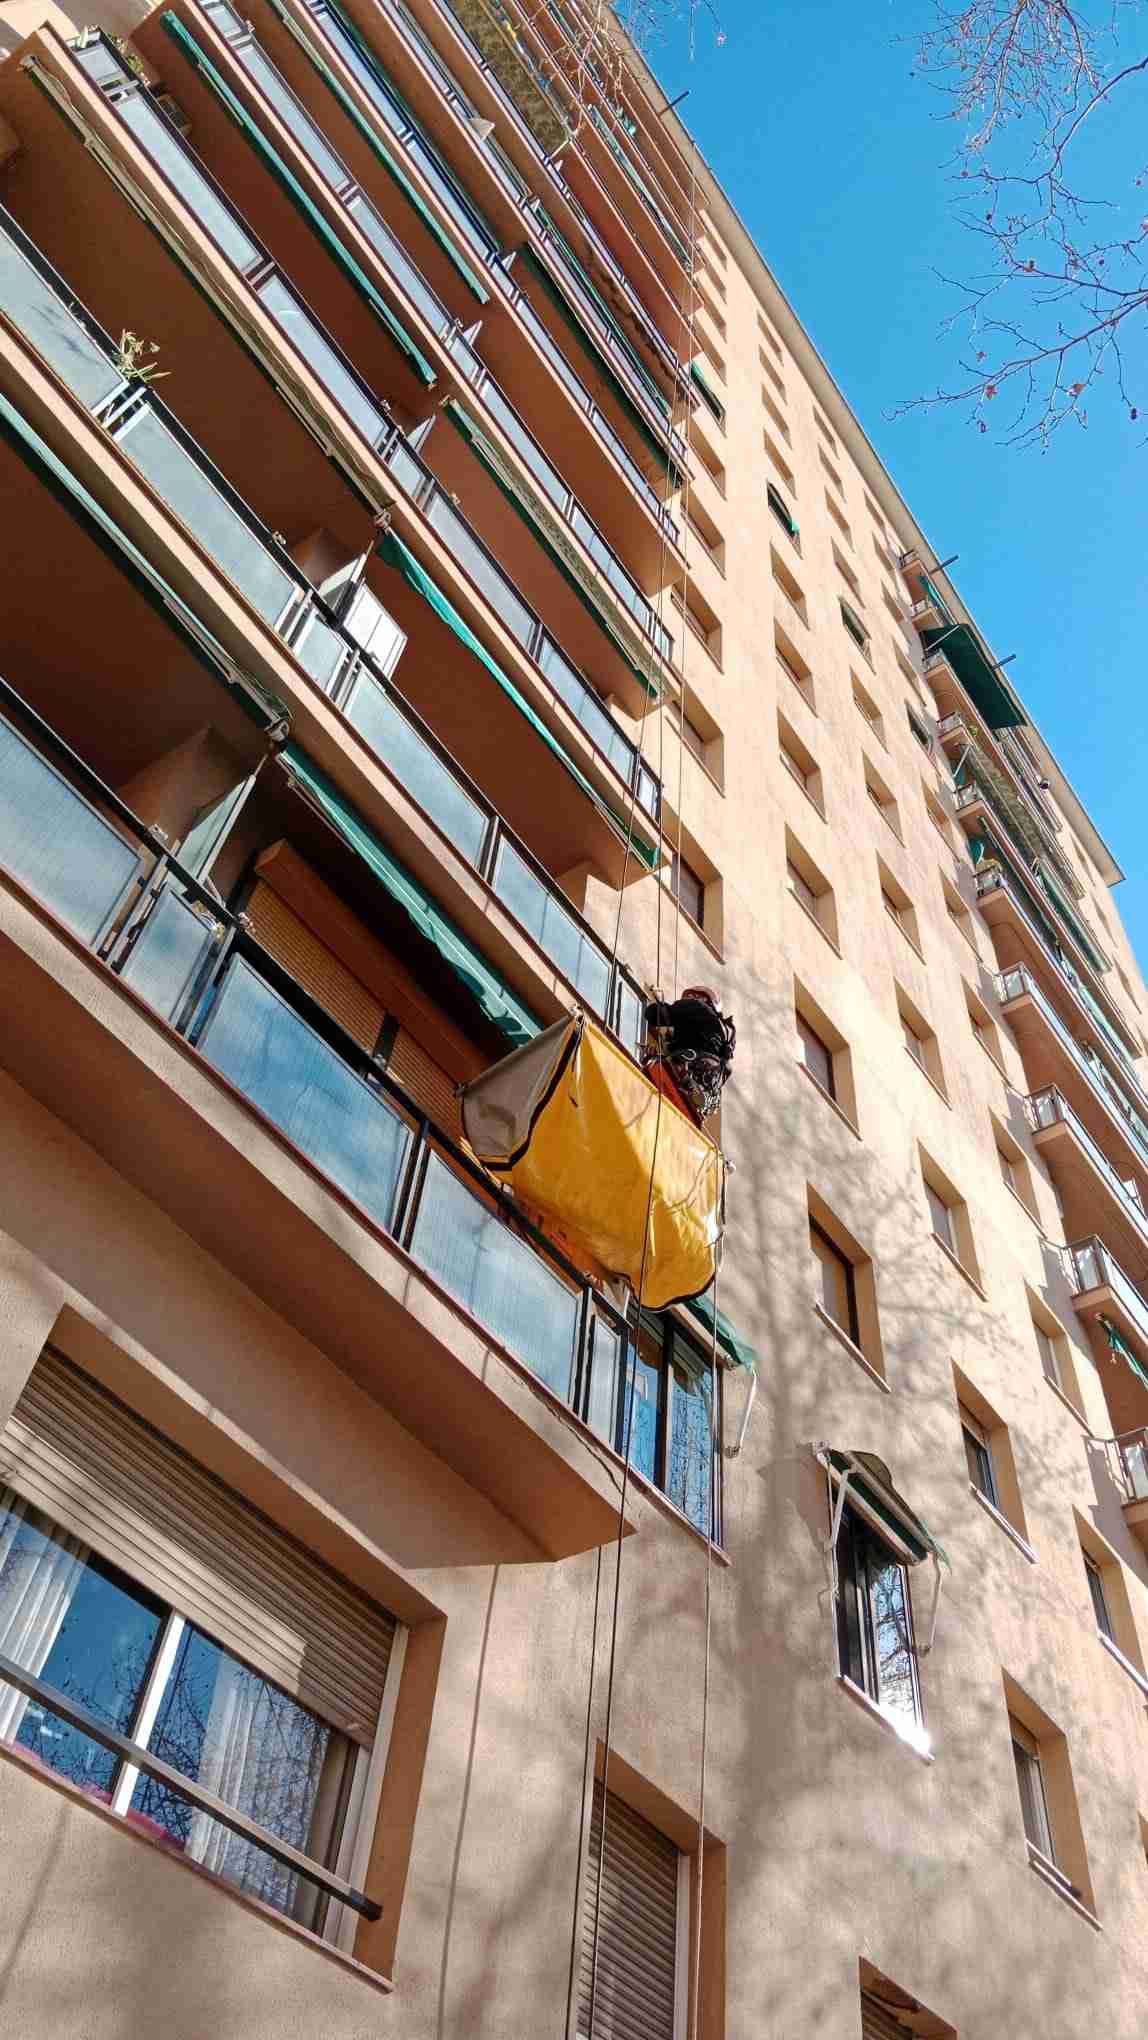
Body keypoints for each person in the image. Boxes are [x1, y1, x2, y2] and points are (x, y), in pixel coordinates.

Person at [642, 985, 735, 1128]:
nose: (685, 1000)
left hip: (693, 1062)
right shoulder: (725, 1033)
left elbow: (654, 1014)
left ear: (699, 997)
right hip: (710, 1080)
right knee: (669, 1059)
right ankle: (696, 1096)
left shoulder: (695, 1006)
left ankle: (687, 1080)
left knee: (669, 1060)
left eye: (688, 997)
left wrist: (657, 1007)